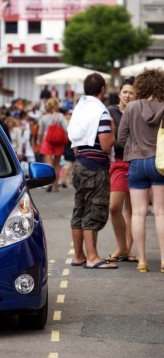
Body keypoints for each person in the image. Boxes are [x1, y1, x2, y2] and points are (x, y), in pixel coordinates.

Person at [67, 72, 117, 269]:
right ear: (102, 90)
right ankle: (93, 257)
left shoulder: (79, 110)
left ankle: (79, 256)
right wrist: (114, 133)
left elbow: (74, 141)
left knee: (79, 210)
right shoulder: (101, 113)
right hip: (95, 166)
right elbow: (105, 145)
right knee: (94, 210)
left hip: (80, 164)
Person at [118, 68, 164, 273]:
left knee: (138, 213)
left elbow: (120, 138)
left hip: (136, 162)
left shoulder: (132, 107)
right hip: (160, 163)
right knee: (161, 213)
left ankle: (142, 261)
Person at [106, 77, 138, 263]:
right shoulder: (111, 112)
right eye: (125, 92)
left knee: (133, 210)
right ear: (119, 93)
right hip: (117, 162)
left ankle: (128, 250)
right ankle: (122, 247)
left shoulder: (138, 112)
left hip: (135, 162)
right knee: (114, 206)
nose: (127, 95)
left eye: (131, 92)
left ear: (136, 95)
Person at [37, 98, 68, 192]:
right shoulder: (60, 116)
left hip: (47, 141)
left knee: (49, 164)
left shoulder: (44, 117)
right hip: (58, 141)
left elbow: (40, 132)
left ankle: (49, 183)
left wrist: (39, 141)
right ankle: (55, 186)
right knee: (57, 164)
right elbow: (66, 128)